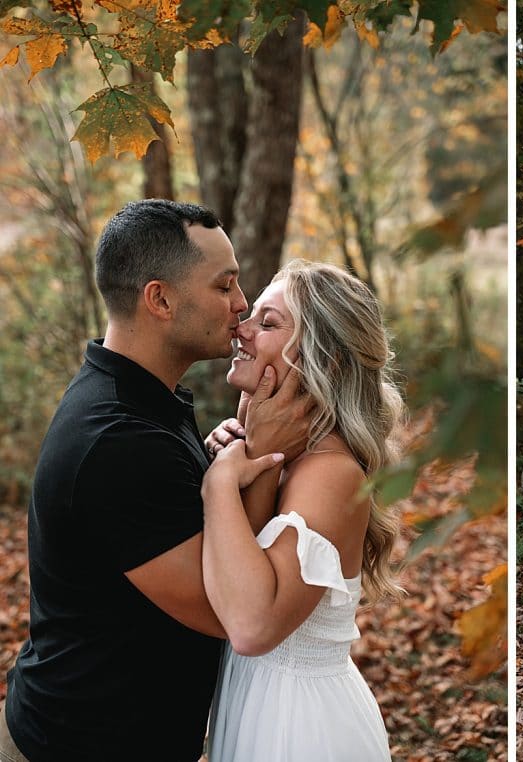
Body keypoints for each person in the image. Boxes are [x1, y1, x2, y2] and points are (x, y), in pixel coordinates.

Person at [0, 200, 308, 762]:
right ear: (160, 299)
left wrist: (229, 467)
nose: (241, 306)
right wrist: (266, 454)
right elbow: (227, 611)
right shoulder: (118, 440)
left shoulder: (142, 402)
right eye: (225, 286)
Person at [200, 260, 404, 761]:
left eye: (268, 324)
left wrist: (220, 485)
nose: (241, 328)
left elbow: (250, 626)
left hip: (300, 726)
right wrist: (248, 454)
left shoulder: (332, 472)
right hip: (259, 703)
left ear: (325, 360)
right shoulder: (280, 454)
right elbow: (237, 579)